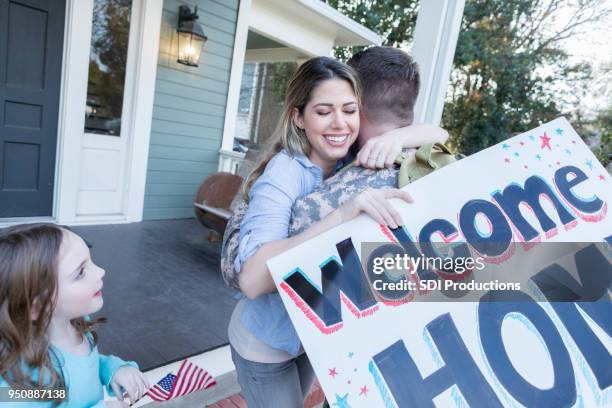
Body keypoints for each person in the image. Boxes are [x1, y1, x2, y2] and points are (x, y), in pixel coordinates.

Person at [227, 54, 441, 408]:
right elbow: (251, 280)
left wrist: (400, 136)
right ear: (299, 117)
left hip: (310, 336)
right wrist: (340, 216)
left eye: (350, 110)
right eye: (324, 111)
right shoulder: (285, 173)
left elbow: (439, 133)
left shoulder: (349, 158)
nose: (340, 123)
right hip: (265, 343)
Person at [0, 224, 149, 407]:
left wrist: (113, 369)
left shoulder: (77, 325)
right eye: (80, 273)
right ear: (35, 307)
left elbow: (83, 367)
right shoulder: (19, 379)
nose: (101, 271)